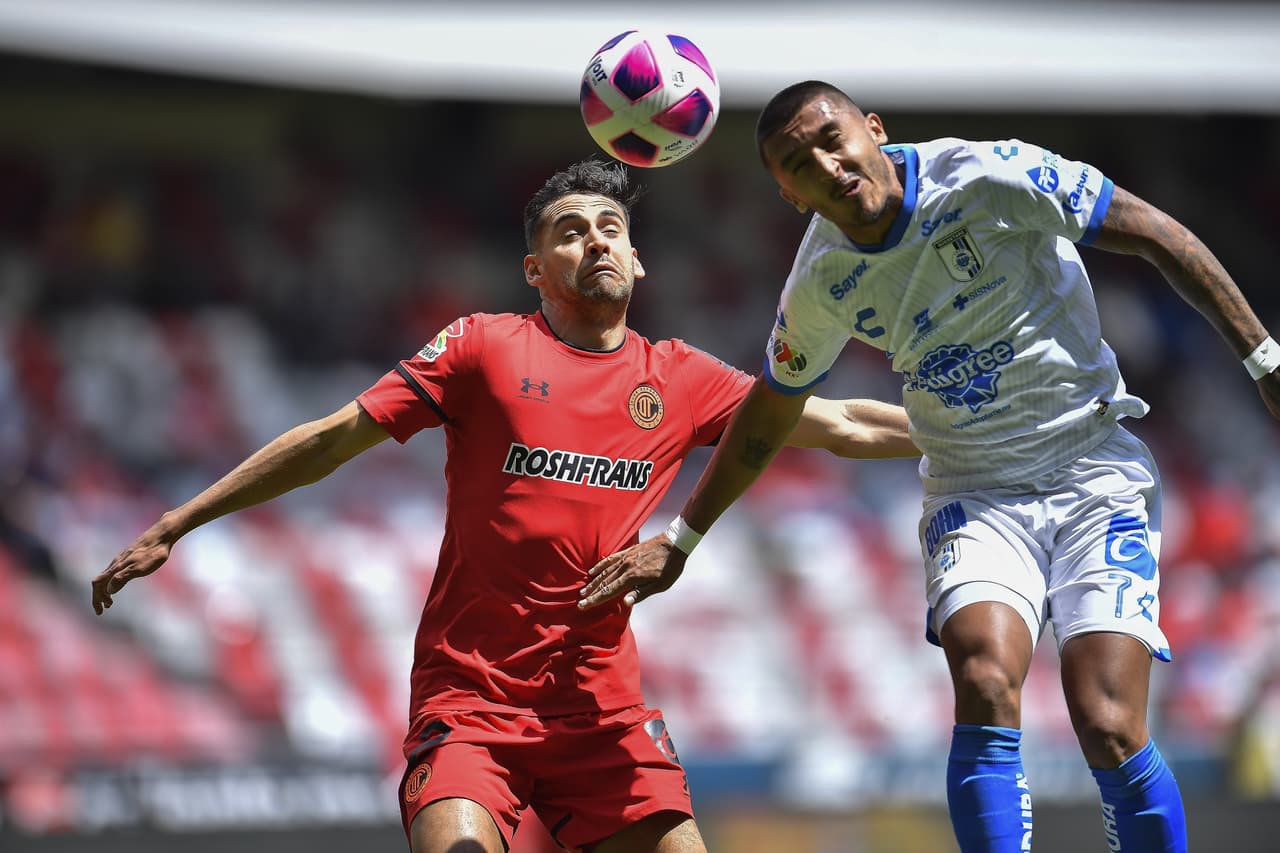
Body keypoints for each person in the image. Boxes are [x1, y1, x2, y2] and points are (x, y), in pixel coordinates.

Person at [91, 158, 918, 853]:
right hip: (473, 702)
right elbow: (329, 440)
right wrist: (178, 521)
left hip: (600, 710)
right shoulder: (483, 347)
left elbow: (843, 421)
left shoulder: (681, 377)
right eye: (569, 229)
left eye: (610, 227)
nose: (595, 237)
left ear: (637, 263)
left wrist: (986, 426)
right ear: (535, 271)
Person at [580, 81, 1280, 853]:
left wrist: (1264, 359)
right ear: (788, 194)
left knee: (1108, 725)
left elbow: (1155, 233)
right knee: (983, 681)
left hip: (1092, 470)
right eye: (798, 164)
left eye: (832, 137)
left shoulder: (989, 175)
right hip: (971, 488)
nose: (827, 164)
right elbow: (770, 412)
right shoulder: (821, 279)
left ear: (872, 128)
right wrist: (681, 539)